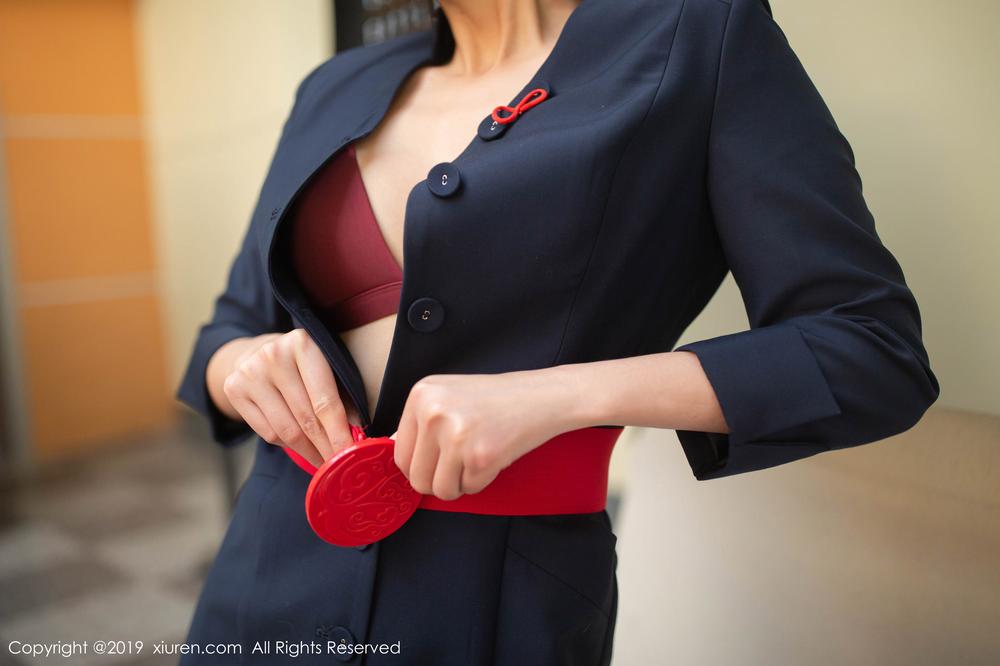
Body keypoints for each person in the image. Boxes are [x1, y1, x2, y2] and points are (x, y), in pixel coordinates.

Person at [175, 0, 940, 663]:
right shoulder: (333, 86)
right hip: (267, 568)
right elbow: (228, 331)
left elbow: (870, 349)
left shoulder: (699, 36)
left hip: (503, 599)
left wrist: (558, 397)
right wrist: (245, 364)